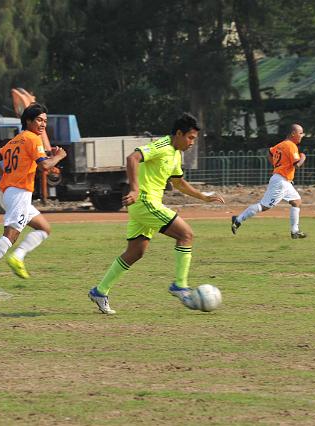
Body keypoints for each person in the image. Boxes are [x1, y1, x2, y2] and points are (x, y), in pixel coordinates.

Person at [88, 113, 225, 314]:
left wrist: (203, 196)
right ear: (179, 134)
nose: (192, 143)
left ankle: (100, 291)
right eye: (190, 137)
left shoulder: (176, 154)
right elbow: (132, 158)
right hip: (144, 201)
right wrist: (135, 189)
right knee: (186, 235)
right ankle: (180, 285)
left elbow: (178, 182)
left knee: (135, 252)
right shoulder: (162, 146)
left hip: (146, 205)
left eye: (194, 139)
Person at [0, 103, 66, 291]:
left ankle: (18, 256)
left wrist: (4, 176)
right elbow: (45, 167)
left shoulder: (16, 140)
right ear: (28, 121)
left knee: (44, 228)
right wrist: (59, 156)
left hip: (12, 192)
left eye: (45, 121)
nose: (43, 124)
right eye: (39, 120)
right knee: (10, 236)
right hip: (19, 193)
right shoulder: (33, 138)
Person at [231, 123, 307, 238]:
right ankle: (238, 219)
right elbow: (297, 165)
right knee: (264, 206)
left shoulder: (280, 145)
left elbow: (270, 153)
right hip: (281, 181)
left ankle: (295, 231)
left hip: (283, 180)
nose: (302, 135)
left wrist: (277, 166)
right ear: (293, 133)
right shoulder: (291, 145)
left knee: (296, 201)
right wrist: (303, 157)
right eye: (300, 133)